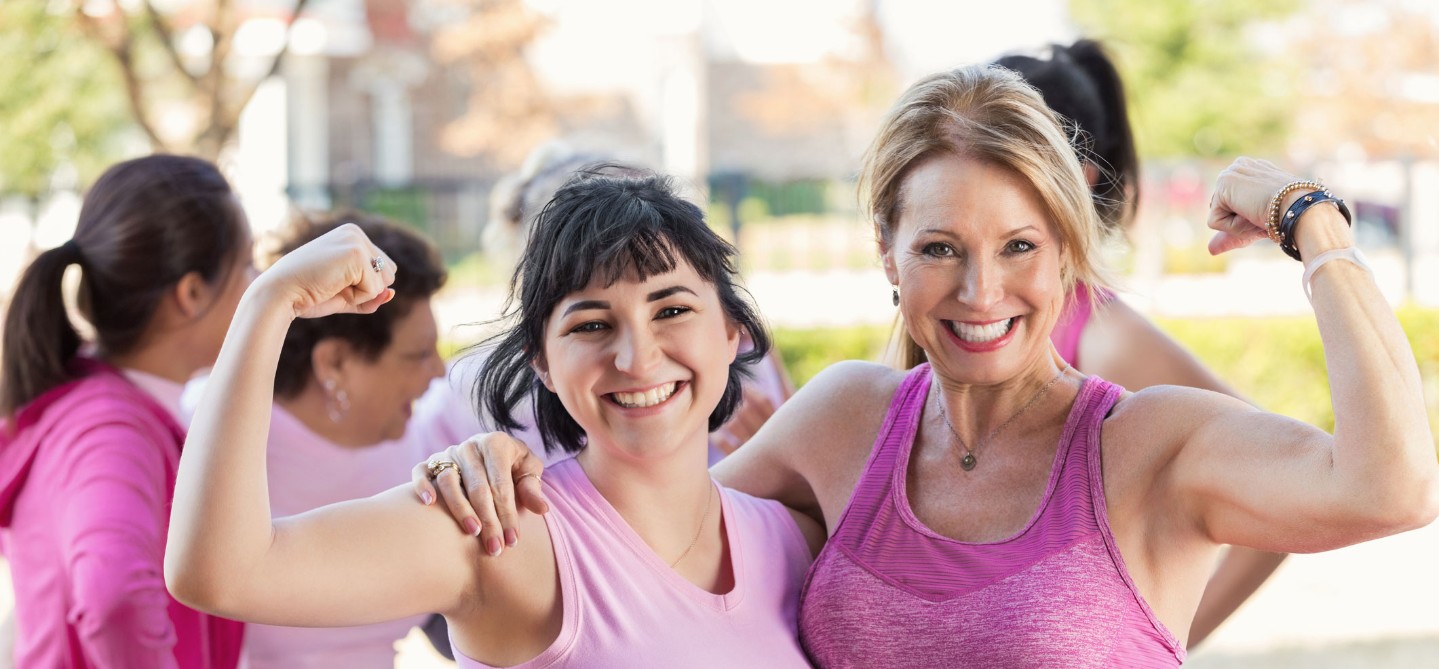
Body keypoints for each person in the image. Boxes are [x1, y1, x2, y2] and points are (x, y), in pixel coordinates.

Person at [422, 65, 1439, 666]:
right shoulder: (843, 419)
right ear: (886, 258)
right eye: (939, 249)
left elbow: (1391, 489)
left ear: (1069, 253)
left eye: (1018, 247)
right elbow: (644, 547)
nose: (979, 292)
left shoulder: (1150, 442)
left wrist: (1312, 226)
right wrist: (498, 473)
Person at [163, 169, 824, 668]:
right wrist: (266, 305)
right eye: (591, 323)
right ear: (541, 361)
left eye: (671, 310)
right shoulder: (503, 536)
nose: (636, 355)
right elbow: (220, 570)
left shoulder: (797, 541)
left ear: (733, 331)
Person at [992, 39, 1287, 646]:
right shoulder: (959, 316)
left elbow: (1283, 490)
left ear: (1079, 179)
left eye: (1005, 162)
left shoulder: (1105, 338)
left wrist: (1160, 643)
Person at [0, 155, 251, 668]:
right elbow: (112, 595)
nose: (257, 281)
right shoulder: (110, 430)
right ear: (191, 293)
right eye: (247, 264)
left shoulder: (103, 404)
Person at [233, 212, 451, 669]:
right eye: (417, 355)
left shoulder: (431, 450)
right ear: (334, 362)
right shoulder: (217, 447)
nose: (438, 372)